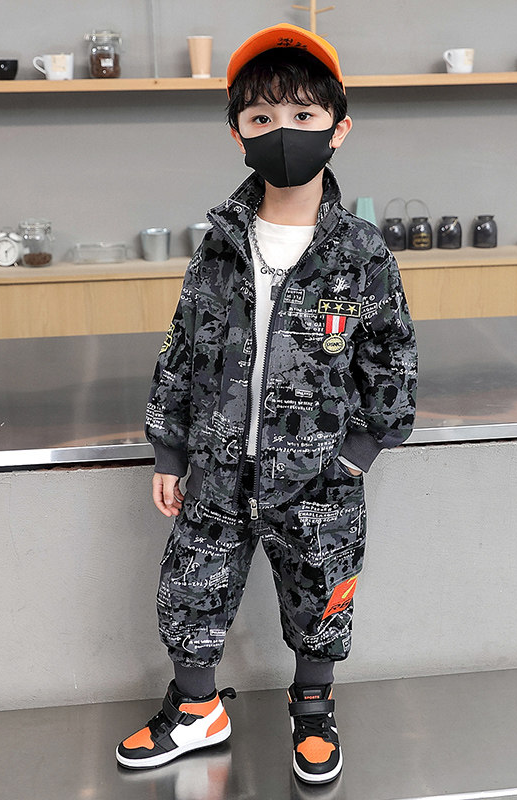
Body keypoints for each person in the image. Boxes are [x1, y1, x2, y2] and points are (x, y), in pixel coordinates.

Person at [116, 22, 417, 784]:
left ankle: (313, 705)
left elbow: (391, 361)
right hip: (217, 470)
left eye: (303, 115)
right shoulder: (219, 246)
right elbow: (180, 350)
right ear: (238, 134)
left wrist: (357, 455)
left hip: (319, 477)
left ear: (338, 128)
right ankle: (196, 709)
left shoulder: (362, 254)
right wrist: (169, 450)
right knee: (192, 587)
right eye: (262, 117)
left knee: (321, 594)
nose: (283, 131)